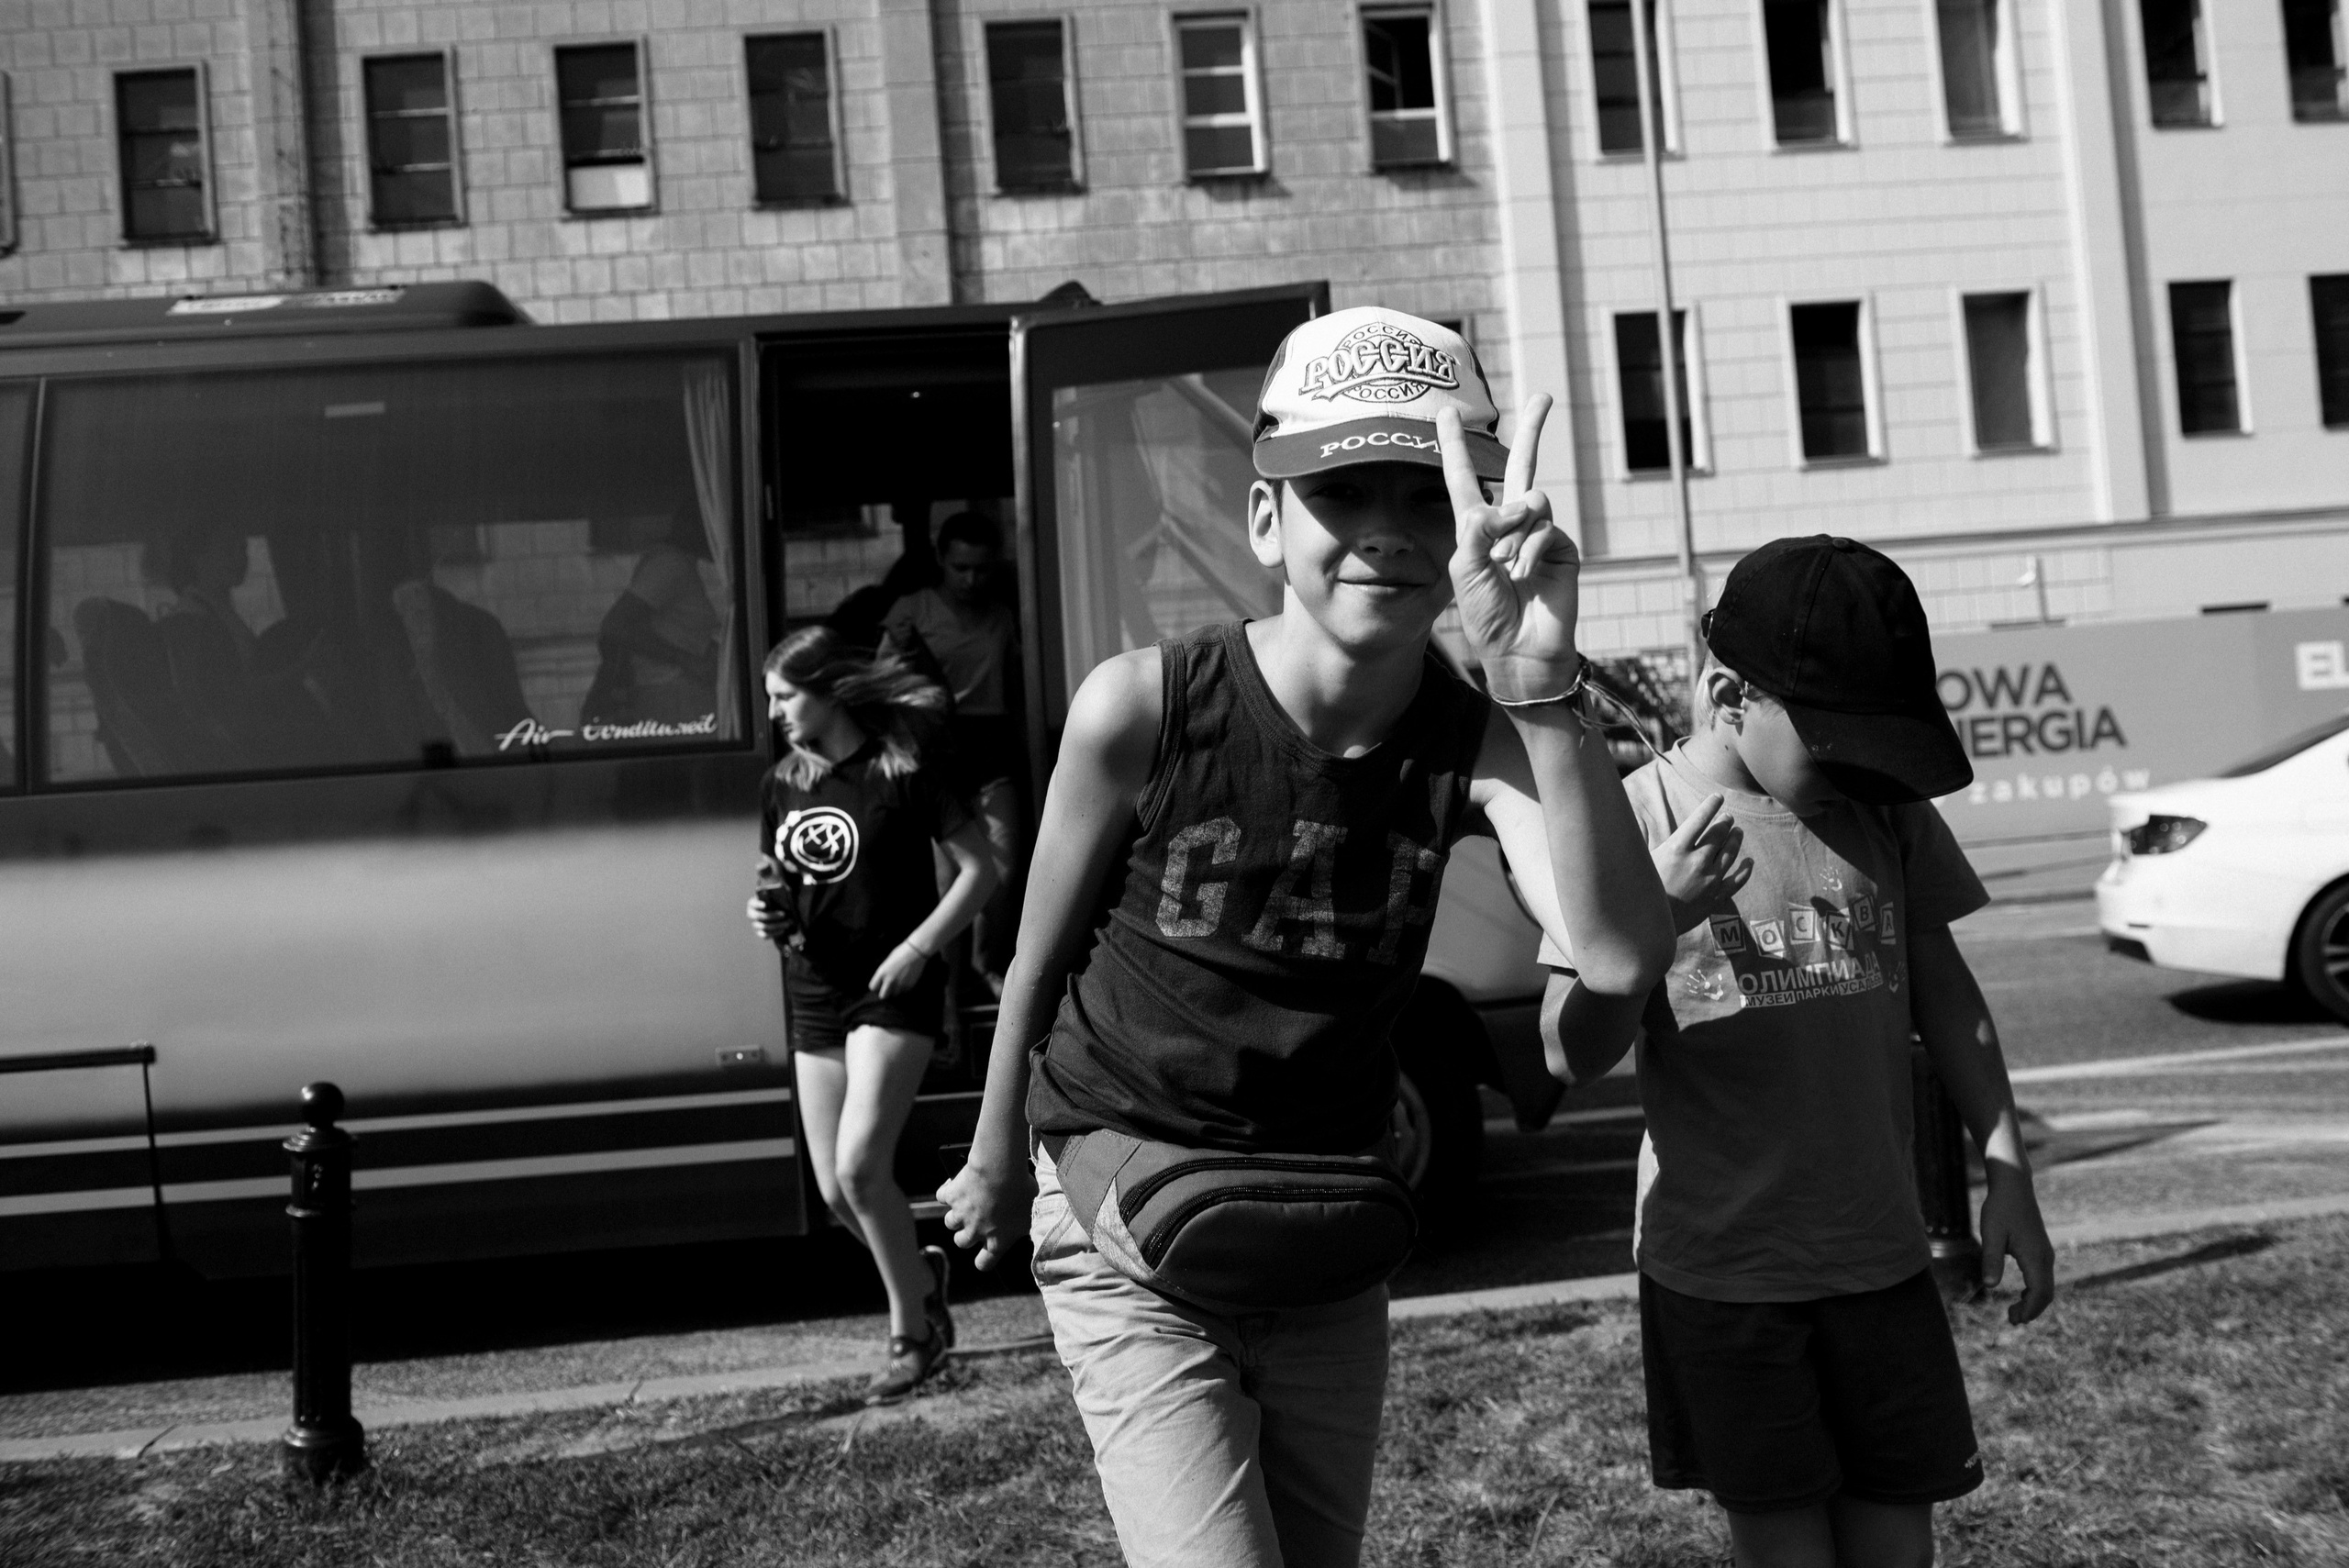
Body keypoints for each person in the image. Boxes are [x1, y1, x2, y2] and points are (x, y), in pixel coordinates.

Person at [938, 307, 1675, 1567]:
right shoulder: (1141, 706)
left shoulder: (1485, 734)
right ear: (1268, 521)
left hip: (1323, 1221)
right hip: (1126, 1209)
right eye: (1342, 492)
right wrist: (994, 1150)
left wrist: (1541, 683)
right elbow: (1037, 957)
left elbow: (1612, 963)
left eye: (1424, 499)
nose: (1386, 528)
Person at [1542, 536, 2057, 1568]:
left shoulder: (1879, 810)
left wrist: (2006, 1163)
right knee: (1786, 1550)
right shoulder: (1630, 819)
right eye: (1835, 746)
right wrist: (1647, 921)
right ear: (1729, 694)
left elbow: (1947, 995)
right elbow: (1567, 1051)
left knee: (1895, 1542)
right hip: (1726, 1281)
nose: (1860, 773)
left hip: (1881, 1257)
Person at [745, 626, 999, 1405]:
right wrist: (764, 910)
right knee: (833, 1191)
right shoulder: (782, 780)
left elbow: (982, 870)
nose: (776, 712)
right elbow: (779, 874)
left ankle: (913, 1331)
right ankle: (921, 1272)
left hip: (892, 989)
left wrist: (921, 948)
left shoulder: (903, 769)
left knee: (862, 1168)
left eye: (785, 696)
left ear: (829, 690)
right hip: (816, 988)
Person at [883, 510, 1023, 989]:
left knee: (1004, 866)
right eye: (960, 567)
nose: (971, 579)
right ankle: (948, 991)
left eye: (981, 568)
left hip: (991, 748)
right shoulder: (911, 611)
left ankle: (988, 966)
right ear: (941, 560)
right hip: (934, 753)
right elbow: (881, 688)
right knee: (950, 882)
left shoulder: (1003, 614)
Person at [584, 511, 721, 728]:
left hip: (678, 693)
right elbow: (616, 626)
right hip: (672, 695)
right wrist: (687, 660)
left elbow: (678, 630)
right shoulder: (669, 565)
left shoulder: (678, 564)